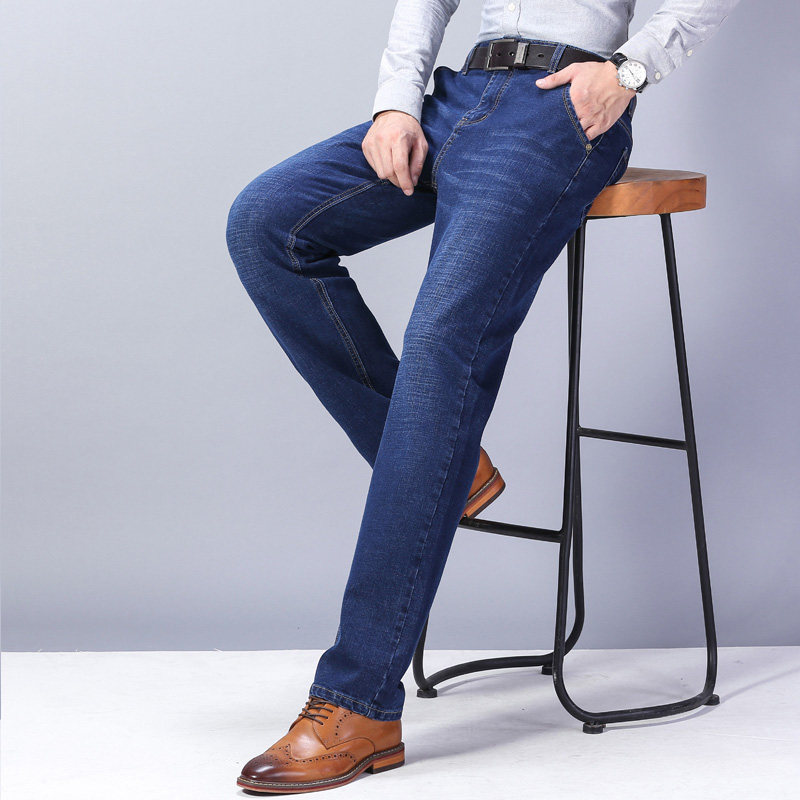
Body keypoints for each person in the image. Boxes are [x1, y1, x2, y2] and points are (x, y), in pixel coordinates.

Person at [225, 0, 739, 792]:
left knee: (441, 345)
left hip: (559, 111)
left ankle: (358, 702)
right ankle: (451, 466)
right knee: (268, 223)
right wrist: (396, 105)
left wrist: (630, 71)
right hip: (459, 96)